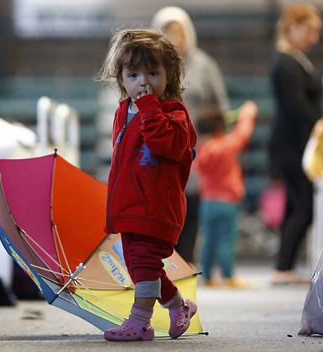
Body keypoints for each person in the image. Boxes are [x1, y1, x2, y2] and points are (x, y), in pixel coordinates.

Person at [95, 28, 198, 341]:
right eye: (133, 74)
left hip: (156, 207)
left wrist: (151, 109)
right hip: (129, 204)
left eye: (153, 73)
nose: (143, 82)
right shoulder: (122, 112)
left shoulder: (174, 113)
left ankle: (140, 321)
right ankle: (179, 306)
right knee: (142, 266)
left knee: (143, 261)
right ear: (121, 78)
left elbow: (171, 145)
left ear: (170, 75)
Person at [151, 6, 230, 266]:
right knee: (165, 203)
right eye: (168, 32)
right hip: (162, 143)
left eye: (179, 32)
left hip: (197, 145)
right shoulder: (151, 65)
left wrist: (215, 139)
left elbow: (220, 105)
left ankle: (186, 261)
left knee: (191, 204)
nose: (175, 38)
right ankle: (164, 262)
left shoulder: (205, 65)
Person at [267, 3, 323, 285]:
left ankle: (284, 265)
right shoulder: (286, 61)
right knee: (303, 204)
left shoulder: (294, 58)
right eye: (310, 30)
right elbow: (297, 106)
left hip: (295, 140)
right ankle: (283, 266)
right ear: (293, 27)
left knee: (295, 204)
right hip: (291, 143)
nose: (314, 37)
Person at [194, 101, 257, 288]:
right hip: (227, 203)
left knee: (208, 240)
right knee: (226, 240)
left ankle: (206, 277)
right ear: (221, 127)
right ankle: (228, 276)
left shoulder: (201, 149)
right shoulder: (226, 145)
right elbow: (242, 134)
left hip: (207, 203)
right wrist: (247, 113)